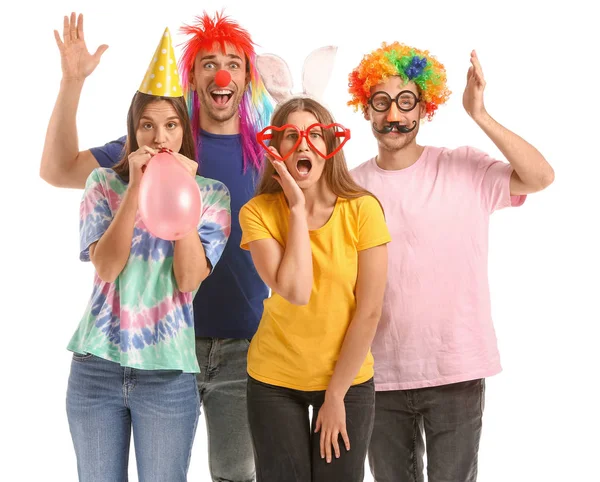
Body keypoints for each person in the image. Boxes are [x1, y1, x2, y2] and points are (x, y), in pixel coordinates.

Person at [40, 12, 273, 481]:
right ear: (192, 77)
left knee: (236, 474)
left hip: (240, 348)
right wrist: (71, 82)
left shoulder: (266, 155)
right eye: (208, 63)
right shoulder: (147, 147)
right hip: (145, 349)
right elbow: (58, 168)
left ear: (249, 78)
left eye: (232, 63)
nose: (221, 74)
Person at [348, 42, 555, 482]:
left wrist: (479, 114)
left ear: (425, 107)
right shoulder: (352, 188)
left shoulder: (464, 168)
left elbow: (540, 177)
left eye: (406, 102)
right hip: (376, 373)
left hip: (455, 368)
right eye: (381, 103)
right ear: (365, 110)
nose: (393, 116)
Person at [64, 27, 231, 482]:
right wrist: (136, 189)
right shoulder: (104, 184)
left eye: (171, 125)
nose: (160, 138)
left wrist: (183, 195)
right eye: (148, 125)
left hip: (168, 375)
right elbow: (107, 266)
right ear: (133, 129)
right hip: (96, 367)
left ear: (184, 131)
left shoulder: (211, 196)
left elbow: (188, 278)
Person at [239, 96, 390, 481]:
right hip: (275, 378)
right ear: (278, 151)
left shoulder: (363, 209)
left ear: (329, 147)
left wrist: (336, 395)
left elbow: (369, 310)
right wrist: (295, 208)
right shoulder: (258, 212)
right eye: (291, 136)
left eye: (314, 135)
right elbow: (296, 290)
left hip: (346, 378)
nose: (303, 144)